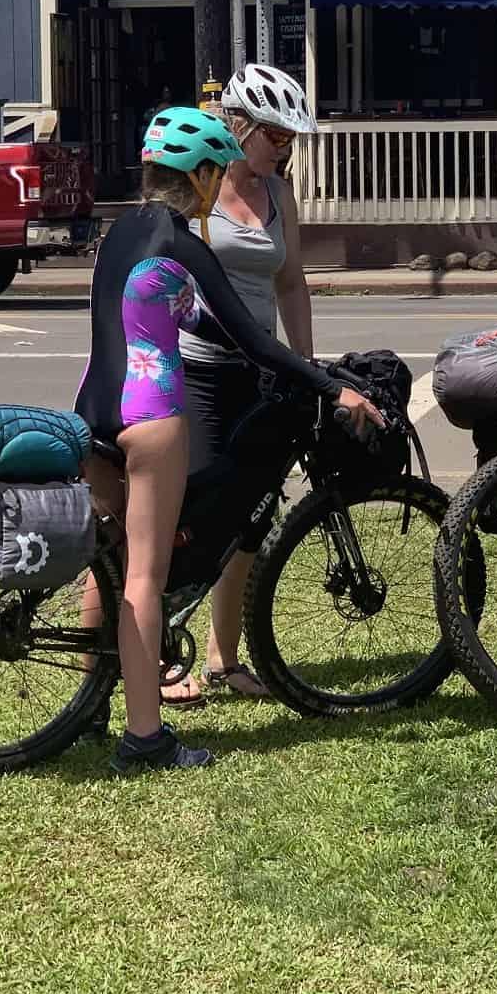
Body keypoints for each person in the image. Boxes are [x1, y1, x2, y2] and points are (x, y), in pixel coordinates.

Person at [74, 107, 382, 775]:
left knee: (109, 552)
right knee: (145, 577)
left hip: (93, 407)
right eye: (214, 175)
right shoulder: (185, 244)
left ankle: (86, 707)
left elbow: (187, 324)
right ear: (204, 175)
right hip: (150, 413)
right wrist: (331, 387)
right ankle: (146, 739)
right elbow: (248, 333)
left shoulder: (117, 232)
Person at [163, 64, 319, 706]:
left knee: (252, 515)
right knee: (191, 513)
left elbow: (290, 282)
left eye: (290, 139)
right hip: (198, 368)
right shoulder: (197, 186)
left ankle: (225, 659)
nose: (284, 148)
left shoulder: (279, 196)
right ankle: (164, 651)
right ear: (240, 126)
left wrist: (307, 369)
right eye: (277, 136)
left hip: (259, 372)